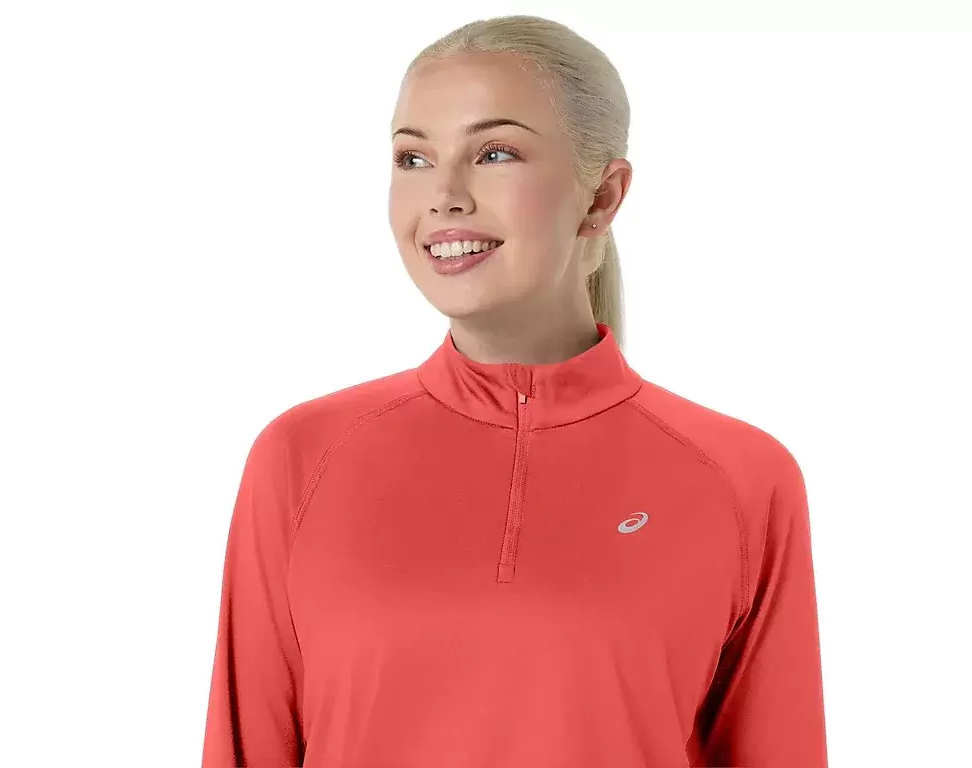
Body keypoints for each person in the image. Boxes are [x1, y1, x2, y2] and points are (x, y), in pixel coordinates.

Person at [200, 14, 828, 768]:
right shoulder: (301, 458)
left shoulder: (741, 478)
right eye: (412, 158)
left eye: (494, 153)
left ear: (601, 197)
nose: (444, 196)